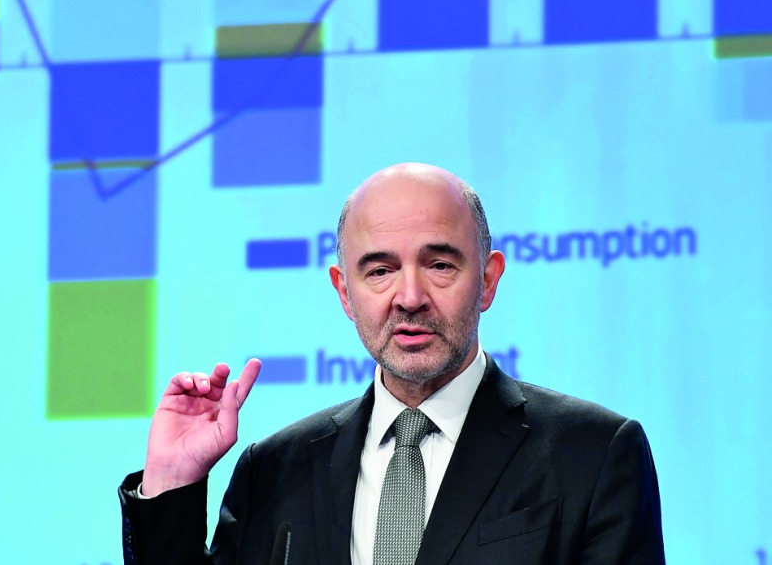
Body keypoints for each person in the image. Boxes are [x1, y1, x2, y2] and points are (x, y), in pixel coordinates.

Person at [119, 163, 665, 563]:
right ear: (344, 293)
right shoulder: (275, 470)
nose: (408, 296)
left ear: (489, 279)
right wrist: (171, 483)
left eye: (440, 264)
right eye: (379, 271)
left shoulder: (593, 456)